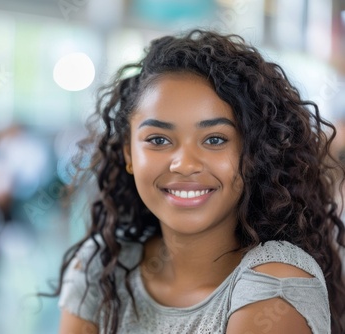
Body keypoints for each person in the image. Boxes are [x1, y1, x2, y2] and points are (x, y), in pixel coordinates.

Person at [54, 30, 345, 333]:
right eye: (158, 139)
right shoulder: (100, 267)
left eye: (215, 139)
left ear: (254, 152)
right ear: (129, 153)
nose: (184, 164)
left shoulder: (276, 285)